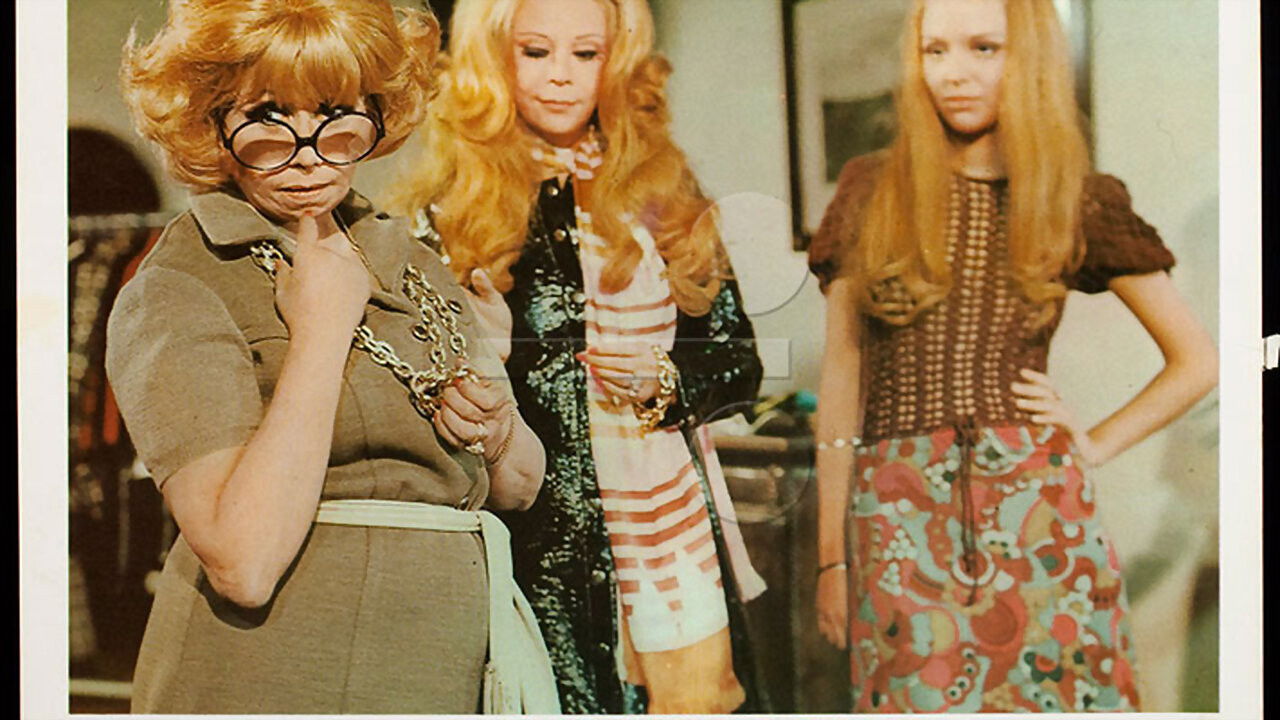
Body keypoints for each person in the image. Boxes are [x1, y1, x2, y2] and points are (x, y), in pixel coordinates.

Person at [108, 0, 555, 713]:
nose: (309, 152)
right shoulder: (180, 285)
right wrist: (320, 333)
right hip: (282, 675)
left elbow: (520, 488)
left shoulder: (412, 258)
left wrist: (496, 429)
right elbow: (244, 563)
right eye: (267, 116)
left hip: (440, 670)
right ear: (210, 122)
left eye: (336, 113)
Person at [807, 0, 1218, 713]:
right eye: (935, 50)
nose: (954, 73)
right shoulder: (871, 189)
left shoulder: (1074, 197)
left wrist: (1093, 442)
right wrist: (831, 560)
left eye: (983, 48)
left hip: (1038, 514)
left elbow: (1197, 361)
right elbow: (842, 380)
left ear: (1027, 59)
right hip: (897, 514)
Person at [389, 0, 768, 713]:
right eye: (536, 51)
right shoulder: (447, 207)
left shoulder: (664, 190)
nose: (561, 76)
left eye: (585, 53)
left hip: (675, 543)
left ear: (615, 60)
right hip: (538, 549)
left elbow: (738, 361)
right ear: (494, 58)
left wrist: (666, 381)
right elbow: (417, 407)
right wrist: (489, 356)